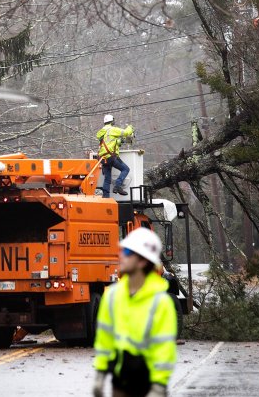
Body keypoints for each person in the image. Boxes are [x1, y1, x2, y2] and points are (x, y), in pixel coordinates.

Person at [92, 227, 177, 397]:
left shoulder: (161, 302)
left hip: (150, 386)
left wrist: (159, 385)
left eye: (128, 252)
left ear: (143, 261)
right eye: (122, 250)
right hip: (120, 384)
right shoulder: (112, 296)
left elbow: (164, 348)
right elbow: (104, 340)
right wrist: (100, 375)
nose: (121, 255)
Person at [97, 114, 134, 196]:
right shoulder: (112, 129)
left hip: (103, 158)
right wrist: (130, 127)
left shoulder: (102, 132)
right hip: (111, 157)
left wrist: (120, 141)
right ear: (112, 121)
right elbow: (126, 132)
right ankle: (117, 185)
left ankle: (106, 198)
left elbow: (110, 142)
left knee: (107, 179)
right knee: (126, 169)